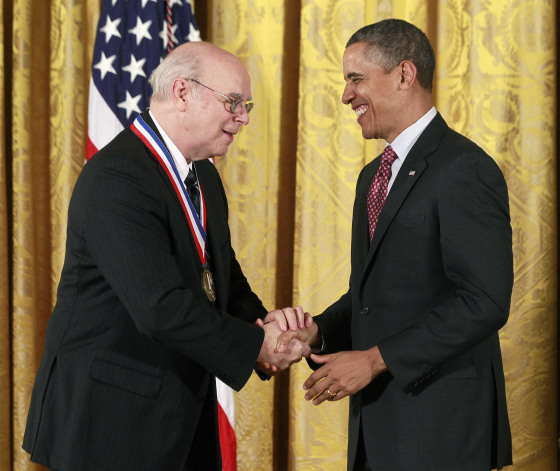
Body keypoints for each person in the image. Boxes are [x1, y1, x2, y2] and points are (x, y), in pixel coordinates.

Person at [23, 41, 312, 471]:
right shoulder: (118, 176)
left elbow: (222, 277)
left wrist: (267, 324)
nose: (244, 117)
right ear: (182, 93)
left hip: (178, 416)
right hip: (109, 423)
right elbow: (158, 307)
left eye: (245, 104)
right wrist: (257, 345)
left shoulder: (205, 177)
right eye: (233, 102)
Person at [280, 19, 513, 471]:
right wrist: (318, 332)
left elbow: (484, 301)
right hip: (379, 429)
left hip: (442, 430)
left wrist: (373, 360)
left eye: (356, 79)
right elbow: (372, 295)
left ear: (404, 74)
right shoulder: (373, 176)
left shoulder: (462, 168)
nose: (346, 96)